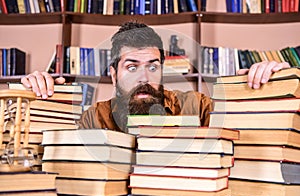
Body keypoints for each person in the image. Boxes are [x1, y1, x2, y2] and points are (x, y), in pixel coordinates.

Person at [21, 21, 290, 133]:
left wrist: (268, 86)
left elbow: (252, 130)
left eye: (152, 66)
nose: (144, 77)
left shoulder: (198, 107)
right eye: (131, 67)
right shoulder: (94, 118)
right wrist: (37, 98)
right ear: (113, 75)